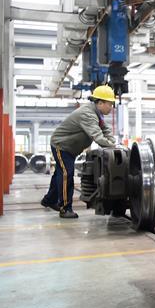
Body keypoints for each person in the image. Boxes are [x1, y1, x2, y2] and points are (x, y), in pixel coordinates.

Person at [41, 85, 117, 218]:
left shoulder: (96, 114)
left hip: (70, 148)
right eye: (110, 104)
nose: (111, 107)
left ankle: (49, 200)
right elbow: (97, 136)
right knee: (66, 174)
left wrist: (113, 143)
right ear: (100, 103)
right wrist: (113, 146)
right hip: (61, 145)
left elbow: (105, 130)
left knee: (60, 174)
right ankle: (65, 208)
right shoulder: (88, 114)